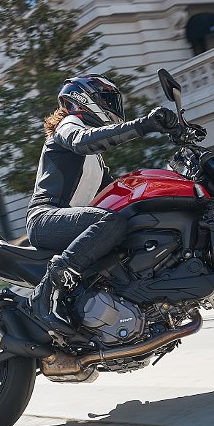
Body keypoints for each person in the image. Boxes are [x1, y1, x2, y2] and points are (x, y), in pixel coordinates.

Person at [26, 74, 181, 332]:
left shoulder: (94, 161)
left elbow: (121, 191)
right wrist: (144, 125)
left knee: (129, 221)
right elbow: (82, 140)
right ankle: (49, 291)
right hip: (45, 218)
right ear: (84, 99)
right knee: (110, 222)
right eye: (108, 100)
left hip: (71, 224)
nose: (113, 108)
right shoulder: (68, 126)